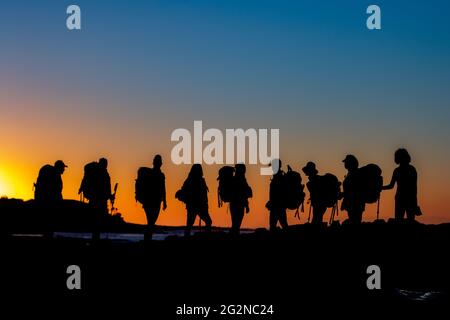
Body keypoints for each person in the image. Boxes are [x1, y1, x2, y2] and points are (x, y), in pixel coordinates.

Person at [79, 158, 114, 240]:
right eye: (106, 164)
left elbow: (85, 180)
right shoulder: (103, 174)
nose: (106, 165)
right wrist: (109, 196)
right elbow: (105, 188)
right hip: (100, 200)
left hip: (93, 198)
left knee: (95, 218)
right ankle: (95, 238)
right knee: (98, 219)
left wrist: (81, 188)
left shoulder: (94, 173)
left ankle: (95, 237)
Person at [383, 148, 420, 221]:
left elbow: (391, 186)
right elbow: (414, 188)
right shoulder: (412, 169)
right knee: (410, 221)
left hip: (400, 198)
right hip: (410, 198)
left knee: (399, 221)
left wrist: (380, 187)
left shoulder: (397, 170)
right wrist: (415, 202)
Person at [34, 160, 67, 238]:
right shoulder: (55, 175)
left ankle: (47, 234)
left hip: (41, 198)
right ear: (59, 167)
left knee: (47, 222)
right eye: (63, 168)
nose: (64, 170)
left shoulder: (51, 172)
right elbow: (56, 191)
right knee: (49, 221)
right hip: (49, 202)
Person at [138, 155, 167, 241]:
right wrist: (165, 202)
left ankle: (147, 238)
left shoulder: (149, 173)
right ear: (160, 164)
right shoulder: (159, 175)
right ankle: (147, 239)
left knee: (150, 222)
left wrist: (164, 201)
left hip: (149, 202)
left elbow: (163, 189)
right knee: (151, 222)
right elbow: (163, 189)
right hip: (153, 201)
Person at [178, 164, 212, 237]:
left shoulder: (190, 180)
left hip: (194, 206)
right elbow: (203, 195)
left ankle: (187, 237)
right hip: (196, 206)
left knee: (190, 224)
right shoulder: (195, 180)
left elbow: (204, 195)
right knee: (207, 222)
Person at [229, 164, 252, 236]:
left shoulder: (233, 179)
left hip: (233, 204)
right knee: (237, 224)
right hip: (240, 205)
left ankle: (233, 234)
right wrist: (247, 206)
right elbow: (244, 194)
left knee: (235, 223)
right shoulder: (242, 180)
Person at [341, 155, 365, 224]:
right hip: (356, 203)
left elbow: (353, 190)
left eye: (346, 162)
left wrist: (343, 194)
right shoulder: (351, 173)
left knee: (354, 222)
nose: (344, 164)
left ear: (350, 163)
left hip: (355, 203)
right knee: (355, 221)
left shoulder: (354, 173)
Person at [266, 159, 288, 231]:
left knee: (274, 226)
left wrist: (272, 202)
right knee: (284, 225)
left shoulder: (278, 178)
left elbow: (277, 194)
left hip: (277, 207)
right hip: (279, 206)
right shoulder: (279, 177)